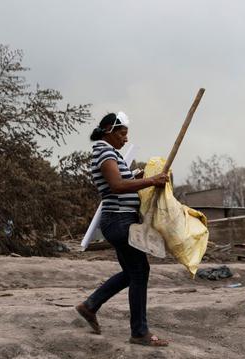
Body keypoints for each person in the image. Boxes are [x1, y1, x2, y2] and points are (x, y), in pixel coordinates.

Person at [76, 112, 170, 347]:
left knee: (132, 272)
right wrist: (150, 181)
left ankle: (90, 306)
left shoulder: (108, 152)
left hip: (119, 220)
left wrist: (137, 176)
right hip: (118, 220)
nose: (125, 139)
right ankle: (139, 332)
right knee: (139, 271)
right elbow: (117, 186)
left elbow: (122, 181)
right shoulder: (105, 152)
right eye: (121, 133)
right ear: (108, 129)